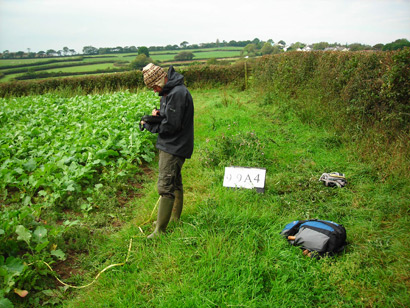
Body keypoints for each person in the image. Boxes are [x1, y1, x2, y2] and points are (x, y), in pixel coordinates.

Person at [141, 63, 194, 239]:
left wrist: (150, 125)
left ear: (160, 79)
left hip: (174, 145)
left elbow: (172, 125)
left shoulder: (177, 93)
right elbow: (170, 117)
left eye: (155, 86)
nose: (155, 90)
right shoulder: (169, 91)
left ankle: (160, 231)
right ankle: (173, 219)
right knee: (175, 182)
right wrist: (157, 115)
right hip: (173, 144)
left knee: (165, 186)